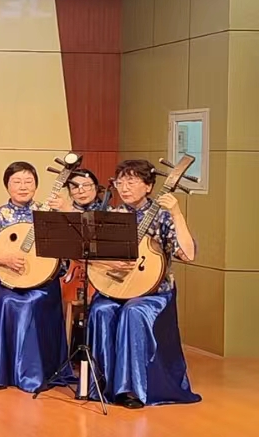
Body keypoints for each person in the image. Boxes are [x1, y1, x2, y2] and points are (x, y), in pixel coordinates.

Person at [86, 159, 200, 408]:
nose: (124, 188)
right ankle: (101, 385)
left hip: (154, 293)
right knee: (100, 310)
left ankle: (132, 389)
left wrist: (176, 213)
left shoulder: (162, 216)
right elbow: (89, 255)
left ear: (148, 186)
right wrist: (110, 263)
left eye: (132, 181)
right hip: (116, 287)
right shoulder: (112, 216)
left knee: (133, 312)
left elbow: (188, 254)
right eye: (120, 182)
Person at [0, 161, 74, 392]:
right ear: (7, 186)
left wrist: (66, 212)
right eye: (16, 181)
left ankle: (36, 372)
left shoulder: (47, 213)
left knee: (33, 301)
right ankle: (0, 372)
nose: (23, 186)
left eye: (28, 181)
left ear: (36, 185)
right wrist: (3, 259)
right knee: (8, 301)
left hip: (42, 282)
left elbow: (67, 248)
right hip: (6, 280)